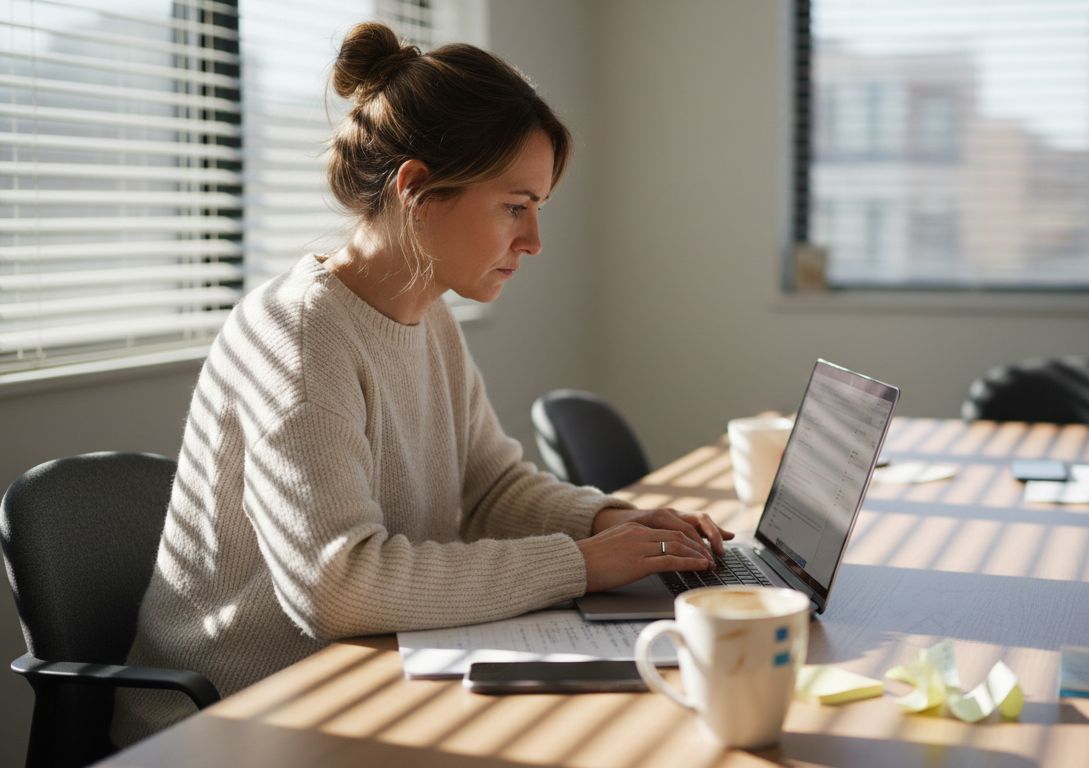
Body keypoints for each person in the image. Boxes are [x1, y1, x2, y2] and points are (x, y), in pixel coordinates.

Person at [112, 22, 732, 744]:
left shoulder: (427, 315)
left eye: (538, 209)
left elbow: (490, 489)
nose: (534, 241)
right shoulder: (300, 336)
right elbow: (335, 586)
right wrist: (578, 564)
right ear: (416, 189)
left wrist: (608, 524)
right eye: (515, 206)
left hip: (359, 682)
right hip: (228, 721)